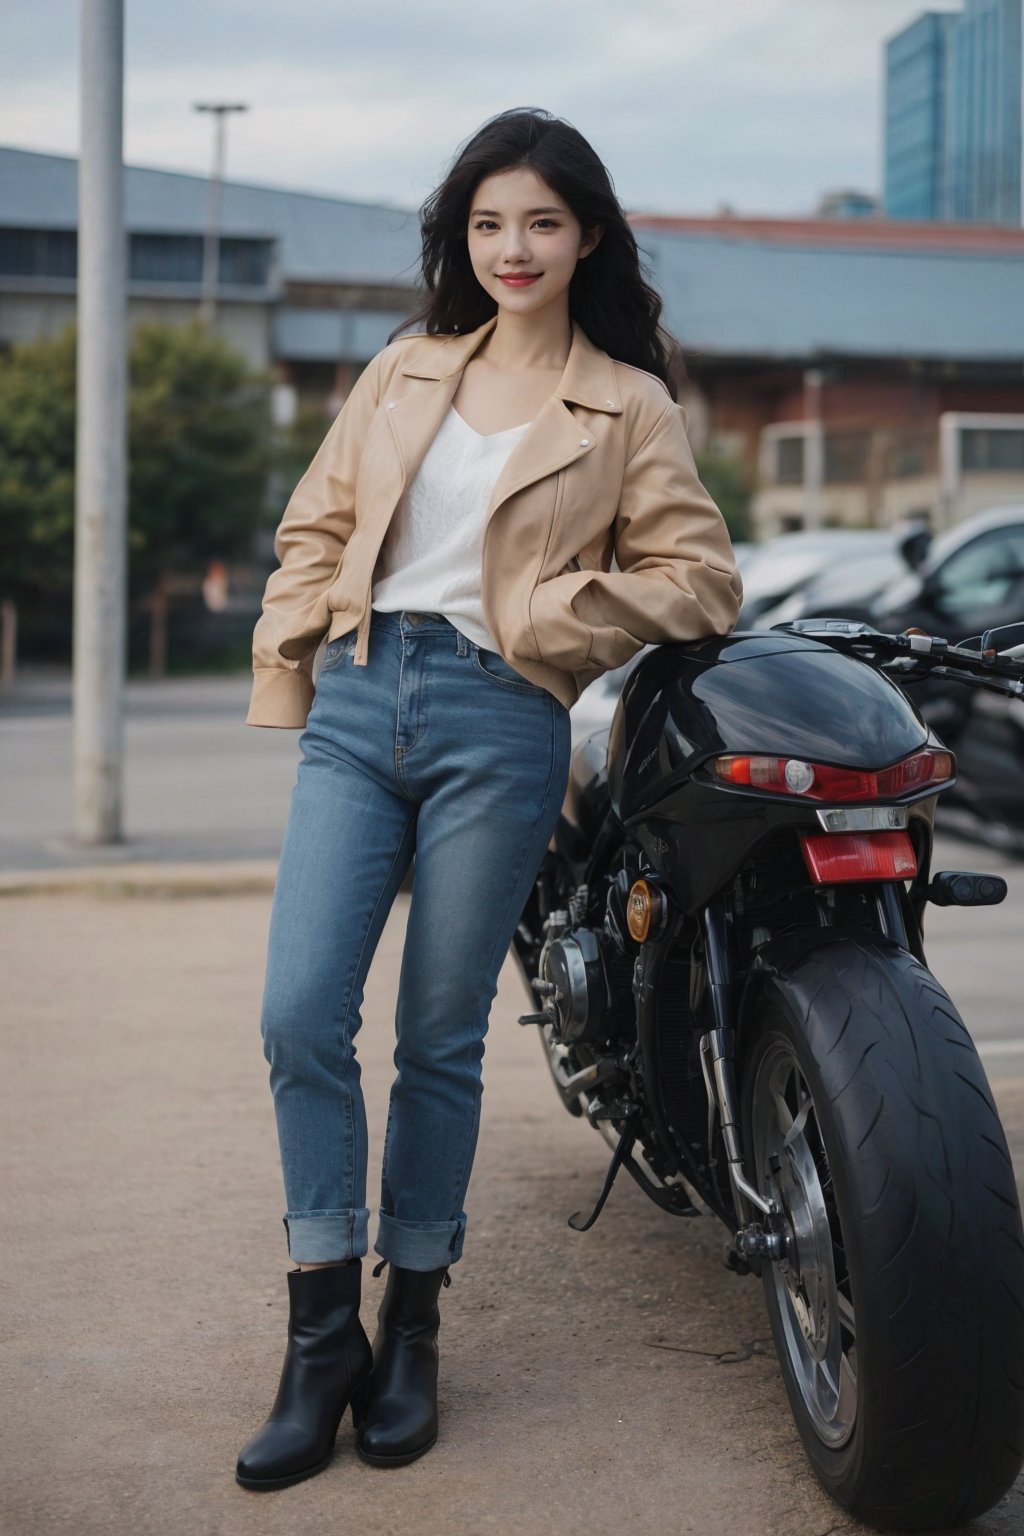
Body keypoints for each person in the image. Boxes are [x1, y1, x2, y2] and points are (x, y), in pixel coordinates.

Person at [235, 106, 743, 1491]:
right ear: (462, 237)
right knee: (298, 1014)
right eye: (488, 222)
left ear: (586, 238)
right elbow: (318, 522)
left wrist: (562, 608)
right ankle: (319, 1331)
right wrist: (302, 640)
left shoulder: (627, 403)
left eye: (542, 222)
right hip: (358, 704)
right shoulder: (404, 370)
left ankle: (412, 1330)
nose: (513, 247)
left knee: (438, 1037)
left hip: (498, 717)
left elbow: (703, 580)